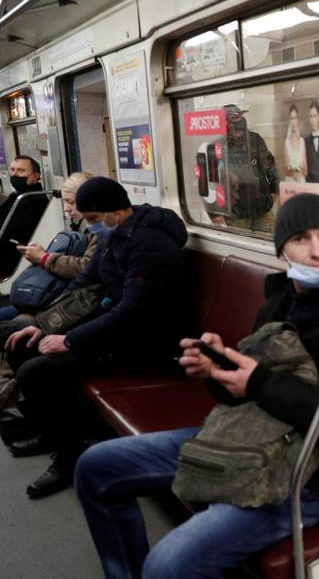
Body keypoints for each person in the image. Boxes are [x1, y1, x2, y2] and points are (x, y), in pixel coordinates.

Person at [74, 194, 319, 579]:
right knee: (96, 468)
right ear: (282, 248)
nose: (318, 251)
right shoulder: (281, 299)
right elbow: (249, 389)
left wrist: (257, 381)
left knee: (168, 566)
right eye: (301, 239)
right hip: (246, 439)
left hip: (308, 472)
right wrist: (217, 368)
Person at [4, 177, 188, 498]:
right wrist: (44, 324)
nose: (90, 225)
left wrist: (70, 339)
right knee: (24, 344)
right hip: (116, 328)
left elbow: (134, 310)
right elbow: (82, 285)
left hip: (147, 341)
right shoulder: (113, 235)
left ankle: (70, 455)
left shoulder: (150, 245)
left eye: (92, 218)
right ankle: (53, 431)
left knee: (36, 371)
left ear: (116, 211)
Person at [0, 172, 98, 324]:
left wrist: (44, 258)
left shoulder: (99, 230)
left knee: (15, 325)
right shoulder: (79, 224)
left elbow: (86, 267)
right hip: (59, 291)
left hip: (76, 298)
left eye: (71, 203)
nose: (66, 209)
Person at [211, 104, 279, 233]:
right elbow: (210, 181)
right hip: (235, 214)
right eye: (232, 125)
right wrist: (215, 212)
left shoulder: (255, 140)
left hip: (262, 209)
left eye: (239, 124)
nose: (237, 131)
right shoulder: (217, 146)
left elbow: (271, 167)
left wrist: (273, 194)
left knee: (269, 248)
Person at [0, 156, 50, 278]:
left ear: (36, 176)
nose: (15, 174)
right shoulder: (19, 195)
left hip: (11, 261)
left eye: (21, 170)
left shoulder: (30, 200)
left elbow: (11, 233)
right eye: (12, 169)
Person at [284, 104, 308, 181]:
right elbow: (285, 170)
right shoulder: (286, 142)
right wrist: (293, 172)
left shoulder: (302, 141)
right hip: (290, 180)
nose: (293, 121)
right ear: (289, 120)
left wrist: (300, 172)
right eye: (291, 118)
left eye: (295, 118)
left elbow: (306, 170)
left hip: (301, 180)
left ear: (298, 120)